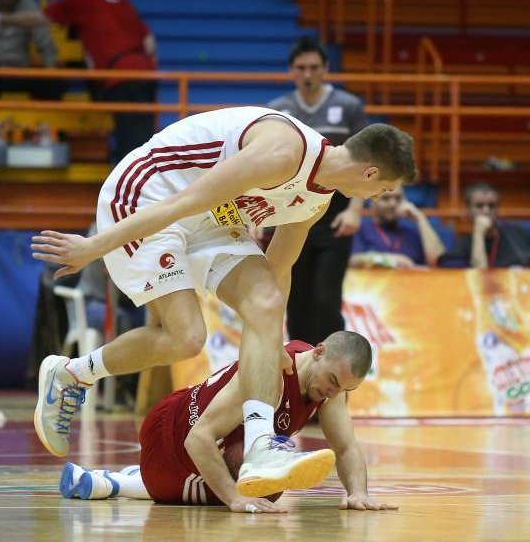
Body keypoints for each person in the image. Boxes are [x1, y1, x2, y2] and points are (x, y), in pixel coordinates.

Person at [31, 104, 416, 498]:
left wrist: (271, 340)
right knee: (186, 339)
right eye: (383, 189)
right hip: (151, 194)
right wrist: (93, 246)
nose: (377, 197)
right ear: (370, 173)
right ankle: (73, 373)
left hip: (212, 219)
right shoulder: (285, 150)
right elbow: (182, 202)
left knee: (264, 301)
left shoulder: (316, 200)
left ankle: (260, 446)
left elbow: (276, 272)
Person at [60, 331, 398, 513]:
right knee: (261, 486)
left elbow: (346, 446)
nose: (330, 393)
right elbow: (198, 439)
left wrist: (358, 493)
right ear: (320, 351)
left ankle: (108, 482)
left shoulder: (328, 389)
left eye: (343, 389)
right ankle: (122, 481)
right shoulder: (273, 374)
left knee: (264, 481)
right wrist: (234, 500)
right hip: (176, 441)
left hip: (202, 441)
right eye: (333, 382)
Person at [0, 0, 157, 164]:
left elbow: (37, 19)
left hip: (121, 79)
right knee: (140, 142)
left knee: (132, 150)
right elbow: (149, 43)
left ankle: (133, 191)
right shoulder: (121, 1)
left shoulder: (81, 1)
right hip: (145, 75)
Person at [268, 37, 369, 346]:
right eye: (301, 68)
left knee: (326, 298)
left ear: (326, 68)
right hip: (292, 209)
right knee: (294, 299)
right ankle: (301, 371)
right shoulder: (278, 110)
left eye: (314, 67)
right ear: (291, 70)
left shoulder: (349, 107)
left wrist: (354, 210)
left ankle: (333, 368)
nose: (307, 74)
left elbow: (366, 162)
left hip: (335, 213)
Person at [350, 184, 446, 268]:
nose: (393, 204)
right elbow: (351, 260)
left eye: (398, 198)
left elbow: (437, 261)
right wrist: (389, 260)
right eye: (386, 198)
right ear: (372, 203)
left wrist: (421, 219)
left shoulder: (413, 230)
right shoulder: (360, 228)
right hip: (374, 286)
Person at [438, 182, 530, 269]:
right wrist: (478, 234)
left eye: (492, 206)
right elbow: (480, 276)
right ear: (468, 210)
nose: (486, 211)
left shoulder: (519, 233)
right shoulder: (464, 245)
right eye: (479, 206)